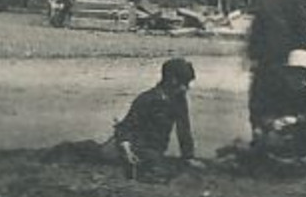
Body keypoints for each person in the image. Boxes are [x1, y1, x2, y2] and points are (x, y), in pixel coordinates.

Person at [43, 58, 199, 181]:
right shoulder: (147, 99)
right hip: (128, 145)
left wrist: (188, 156)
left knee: (154, 163)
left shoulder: (179, 100)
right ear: (172, 80)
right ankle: (63, 150)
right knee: (96, 153)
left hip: (152, 149)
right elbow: (126, 127)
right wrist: (126, 149)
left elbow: (183, 128)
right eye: (184, 83)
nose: (187, 88)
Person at [246, 0, 306, 131]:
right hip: (275, 56)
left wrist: (301, 54)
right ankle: (264, 136)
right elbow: (258, 24)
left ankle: (272, 136)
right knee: (265, 98)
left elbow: (300, 24)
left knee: (272, 97)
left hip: (281, 55)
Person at [246, 48, 306, 175]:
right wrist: (273, 122)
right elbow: (263, 113)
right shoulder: (275, 93)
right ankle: (269, 163)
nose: (300, 79)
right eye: (295, 75)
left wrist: (297, 120)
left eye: (304, 75)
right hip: (279, 133)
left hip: (301, 134)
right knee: (260, 134)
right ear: (286, 75)